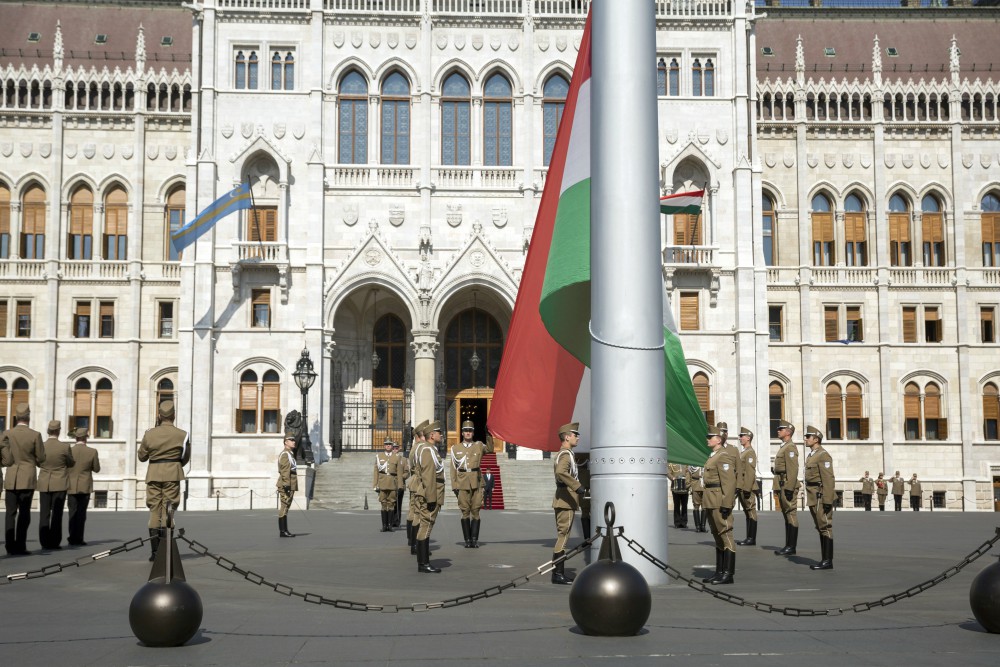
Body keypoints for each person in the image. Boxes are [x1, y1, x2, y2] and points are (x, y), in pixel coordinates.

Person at [137, 400, 191, 561]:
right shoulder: (182, 434)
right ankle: (165, 552)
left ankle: (155, 553)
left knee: (155, 511)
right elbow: (185, 457)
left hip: (153, 474)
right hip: (173, 475)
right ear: (174, 415)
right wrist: (174, 464)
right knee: (168, 510)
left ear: (159, 415)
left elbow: (141, 457)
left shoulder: (149, 433)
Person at [2, 403, 46, 555]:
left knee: (10, 513)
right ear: (28, 416)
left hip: (11, 477)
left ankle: (9, 546)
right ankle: (20, 545)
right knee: (24, 513)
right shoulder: (35, 435)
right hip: (27, 477)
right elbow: (41, 458)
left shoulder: (7, 433)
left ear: (16, 416)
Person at [702, 425, 736, 585]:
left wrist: (726, 504)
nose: (707, 439)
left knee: (725, 534)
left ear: (718, 439)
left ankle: (728, 574)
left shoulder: (723, 456)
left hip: (718, 501)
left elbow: (729, 482)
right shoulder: (713, 456)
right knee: (717, 535)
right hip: (710, 499)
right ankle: (719, 571)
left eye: (710, 437)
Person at [551, 422, 585, 585]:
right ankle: (558, 573)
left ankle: (558, 572)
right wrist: (577, 486)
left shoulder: (566, 453)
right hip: (566, 499)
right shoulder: (565, 455)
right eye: (575, 435)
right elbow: (560, 472)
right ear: (566, 437)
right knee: (563, 536)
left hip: (563, 498)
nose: (577, 437)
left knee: (563, 535)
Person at [412, 421, 445, 573]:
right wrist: (431, 498)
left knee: (425, 526)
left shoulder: (429, 449)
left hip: (430, 492)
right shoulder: (427, 450)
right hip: (430, 494)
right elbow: (428, 476)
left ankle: (423, 562)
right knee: (426, 526)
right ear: (432, 435)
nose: (441, 435)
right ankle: (423, 563)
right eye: (439, 433)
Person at [450, 420, 488, 548]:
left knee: (476, 511)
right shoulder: (455, 448)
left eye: (470, 431)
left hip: (476, 482)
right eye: (466, 430)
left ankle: (474, 539)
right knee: (465, 511)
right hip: (462, 483)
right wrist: (454, 486)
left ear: (473, 433)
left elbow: (490, 449)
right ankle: (467, 540)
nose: (468, 433)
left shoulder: (479, 445)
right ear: (462, 433)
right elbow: (453, 469)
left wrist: (489, 434)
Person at [37, 420, 74, 550]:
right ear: (58, 431)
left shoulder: (41, 446)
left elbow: (38, 462)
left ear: (48, 431)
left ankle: (44, 541)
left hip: (44, 482)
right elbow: (71, 463)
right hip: (59, 482)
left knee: (44, 513)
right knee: (57, 514)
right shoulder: (64, 447)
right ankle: (55, 541)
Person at [803, 426, 836, 570]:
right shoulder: (812, 455)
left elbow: (828, 479)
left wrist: (828, 500)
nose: (805, 439)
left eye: (808, 437)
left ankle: (827, 561)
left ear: (816, 439)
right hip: (813, 495)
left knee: (825, 526)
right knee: (819, 526)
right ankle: (824, 558)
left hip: (820, 495)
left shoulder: (823, 455)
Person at [66, 427, 101, 546]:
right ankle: (79, 538)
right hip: (85, 485)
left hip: (71, 485)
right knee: (81, 513)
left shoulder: (69, 451)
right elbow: (96, 469)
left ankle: (72, 537)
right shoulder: (92, 451)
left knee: (72, 512)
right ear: (86, 438)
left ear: (76, 438)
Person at [772, 419, 800, 556]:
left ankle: (791, 546)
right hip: (781, 483)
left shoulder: (790, 447)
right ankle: (788, 544)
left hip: (787, 484)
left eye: (781, 429)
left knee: (791, 514)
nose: (778, 431)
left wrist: (789, 488)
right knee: (786, 515)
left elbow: (793, 470)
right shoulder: (784, 446)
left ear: (788, 432)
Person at [405, 420, 429, 555]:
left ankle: (412, 541)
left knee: (414, 512)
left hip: (415, 481)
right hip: (419, 482)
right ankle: (415, 544)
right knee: (418, 514)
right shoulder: (420, 448)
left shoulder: (416, 447)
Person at [735, 426, 759, 546]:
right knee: (747, 512)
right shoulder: (744, 452)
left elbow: (750, 472)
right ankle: (748, 537)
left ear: (748, 438)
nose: (740, 438)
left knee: (751, 511)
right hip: (742, 486)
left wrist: (747, 489)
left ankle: (751, 538)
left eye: (742, 436)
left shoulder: (750, 453)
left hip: (747, 487)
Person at [372, 438, 397, 533]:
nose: (388, 446)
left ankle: (390, 525)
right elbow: (376, 471)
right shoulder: (379, 456)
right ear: (384, 446)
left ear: (392, 446)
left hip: (392, 483)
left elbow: (399, 472)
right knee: (383, 504)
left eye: (390, 444)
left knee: (391, 504)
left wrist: (399, 485)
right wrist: (375, 484)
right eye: (386, 444)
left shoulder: (396, 457)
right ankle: (384, 525)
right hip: (382, 483)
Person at [276, 434, 298, 537]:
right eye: (291, 440)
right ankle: (283, 531)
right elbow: (285, 471)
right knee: (284, 506)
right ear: (286, 442)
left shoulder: (290, 453)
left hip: (289, 483)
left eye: (294, 440)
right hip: (286, 484)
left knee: (286, 507)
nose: (294, 442)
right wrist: (286, 485)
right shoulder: (285, 454)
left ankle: (284, 530)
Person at [667, 462, 689, 529]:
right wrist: (672, 478)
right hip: (675, 486)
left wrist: (687, 479)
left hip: (684, 486)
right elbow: (668, 472)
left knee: (684, 505)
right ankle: (677, 522)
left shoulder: (686, 462)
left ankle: (684, 522)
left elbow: (688, 472)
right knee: (676, 505)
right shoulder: (672, 462)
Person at [576, 452, 591, 538]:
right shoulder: (580, 453)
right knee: (585, 512)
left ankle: (591, 537)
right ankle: (587, 538)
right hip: (585, 487)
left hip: (595, 485)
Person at [393, 442, 407, 528]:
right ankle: (390, 521)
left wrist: (401, 477)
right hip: (391, 484)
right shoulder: (389, 458)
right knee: (391, 503)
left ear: (399, 449)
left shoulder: (403, 459)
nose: (395, 449)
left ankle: (397, 521)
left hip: (400, 484)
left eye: (396, 448)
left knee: (398, 504)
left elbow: (407, 472)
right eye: (393, 448)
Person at [689, 464, 706, 532]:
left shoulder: (706, 463)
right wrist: (688, 486)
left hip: (705, 486)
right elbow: (688, 475)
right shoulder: (692, 465)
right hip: (695, 486)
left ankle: (703, 526)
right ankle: (697, 526)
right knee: (696, 505)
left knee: (704, 506)